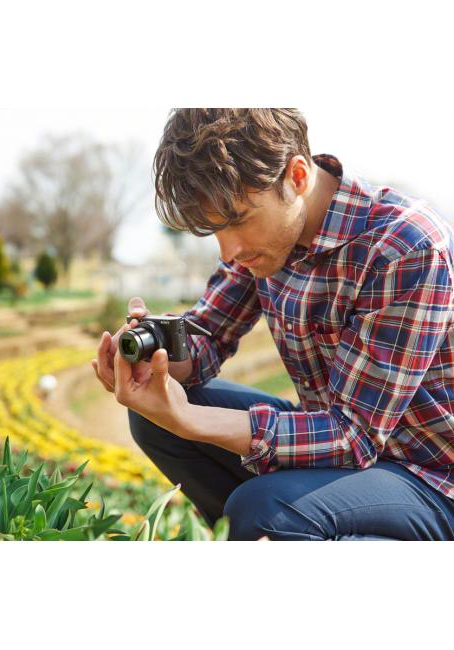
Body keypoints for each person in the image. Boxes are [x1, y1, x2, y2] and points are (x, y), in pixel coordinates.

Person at [92, 108, 454, 541]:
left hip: (429, 478)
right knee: (153, 418)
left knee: (265, 507)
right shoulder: (265, 241)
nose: (229, 251)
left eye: (239, 220)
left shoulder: (404, 246)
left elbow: (352, 437)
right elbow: (209, 336)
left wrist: (191, 419)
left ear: (297, 177)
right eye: (215, 230)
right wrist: (160, 358)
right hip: (338, 453)